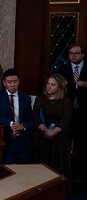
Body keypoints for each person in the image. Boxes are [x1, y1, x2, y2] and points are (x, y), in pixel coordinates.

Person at [0, 68, 34, 164]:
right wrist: (11, 123)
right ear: (4, 83)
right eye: (9, 82)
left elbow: (31, 120)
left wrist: (23, 126)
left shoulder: (25, 98)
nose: (13, 85)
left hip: (22, 140)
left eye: (15, 81)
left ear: (19, 81)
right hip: (5, 138)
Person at [32, 73, 72, 184]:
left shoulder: (66, 101)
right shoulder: (40, 98)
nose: (49, 87)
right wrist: (45, 130)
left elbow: (66, 120)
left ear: (59, 86)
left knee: (57, 166)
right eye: (48, 84)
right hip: (42, 135)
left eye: (53, 85)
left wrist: (53, 132)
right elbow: (35, 116)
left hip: (59, 137)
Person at [58, 44, 87, 190]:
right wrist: (76, 85)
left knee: (82, 148)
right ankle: (66, 181)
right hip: (68, 115)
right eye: (71, 53)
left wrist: (84, 84)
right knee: (65, 147)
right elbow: (60, 87)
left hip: (84, 115)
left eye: (76, 53)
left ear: (82, 55)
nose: (73, 56)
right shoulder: (62, 70)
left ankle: (82, 180)